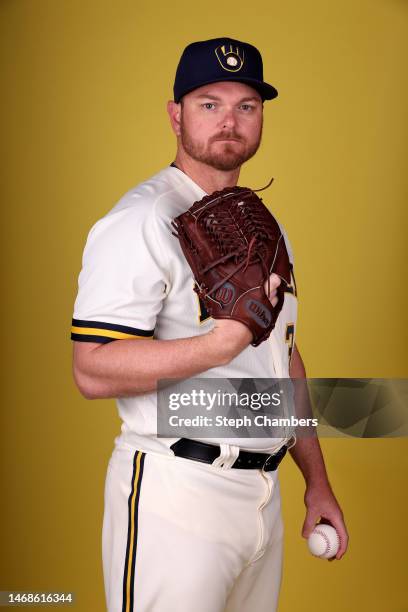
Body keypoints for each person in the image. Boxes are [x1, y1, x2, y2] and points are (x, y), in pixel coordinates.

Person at [71, 37, 348, 612]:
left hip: (262, 498)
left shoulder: (264, 225)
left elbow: (285, 361)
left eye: (246, 105)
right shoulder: (140, 220)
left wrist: (315, 482)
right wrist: (219, 345)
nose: (229, 120)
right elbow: (92, 369)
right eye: (208, 103)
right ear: (175, 114)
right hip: (178, 494)